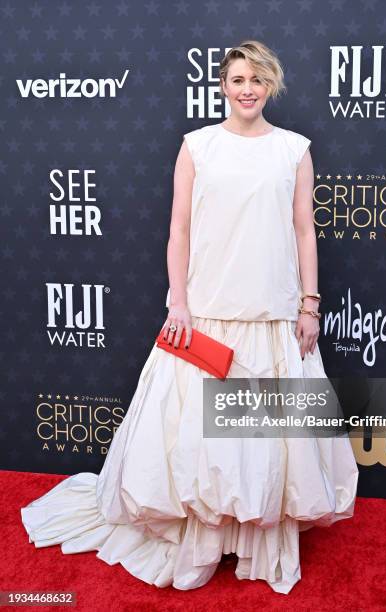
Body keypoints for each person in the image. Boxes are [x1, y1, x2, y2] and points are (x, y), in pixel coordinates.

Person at [21, 40, 358, 595]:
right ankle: (203, 540)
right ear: (221, 86)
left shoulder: (294, 150)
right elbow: (178, 229)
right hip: (206, 313)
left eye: (257, 79)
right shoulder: (197, 147)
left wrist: (310, 304)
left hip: (273, 313)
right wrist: (178, 301)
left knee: (265, 441)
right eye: (237, 79)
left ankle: (257, 540)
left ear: (271, 85)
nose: (246, 88)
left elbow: (304, 231)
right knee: (201, 442)